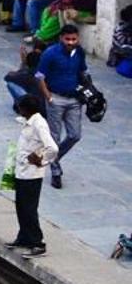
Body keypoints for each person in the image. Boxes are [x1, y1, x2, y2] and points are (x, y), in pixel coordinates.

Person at [33, 24, 87, 189]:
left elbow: (83, 72)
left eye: (74, 39)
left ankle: (52, 157)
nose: (70, 42)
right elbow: (39, 76)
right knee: (54, 138)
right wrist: (48, 97)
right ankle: (56, 171)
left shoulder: (79, 52)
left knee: (74, 135)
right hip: (56, 99)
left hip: (74, 100)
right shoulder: (50, 53)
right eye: (67, 39)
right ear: (61, 38)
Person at [10, 93, 58, 257]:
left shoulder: (39, 124)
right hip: (21, 171)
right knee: (21, 206)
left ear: (27, 109)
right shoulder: (29, 121)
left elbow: (52, 148)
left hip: (32, 174)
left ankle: (38, 242)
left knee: (29, 208)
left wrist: (42, 160)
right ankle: (24, 237)